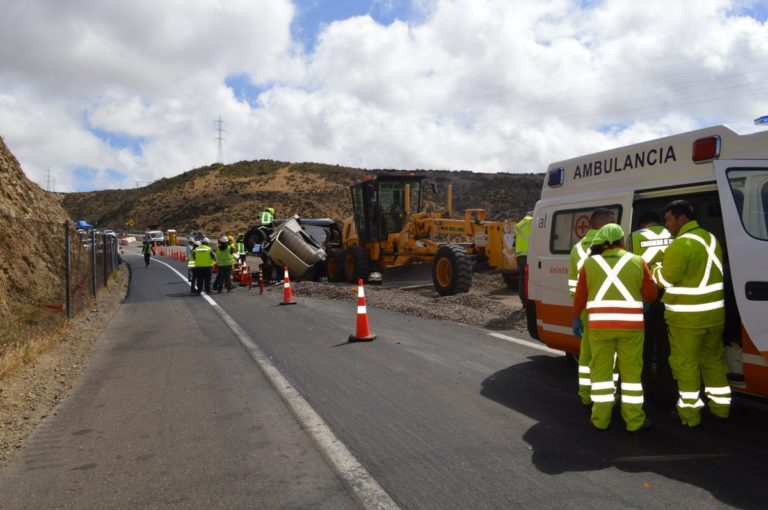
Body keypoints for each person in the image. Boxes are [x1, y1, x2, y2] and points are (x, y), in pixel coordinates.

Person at [652, 199, 731, 427]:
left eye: (668, 220)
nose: (667, 225)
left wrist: (655, 269)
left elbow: (666, 279)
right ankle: (721, 409)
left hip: (687, 319)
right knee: (713, 362)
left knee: (685, 365)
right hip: (714, 316)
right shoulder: (710, 238)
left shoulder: (681, 244)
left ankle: (689, 416)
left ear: (681, 218)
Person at [573, 223, 658, 431]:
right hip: (631, 329)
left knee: (601, 374)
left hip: (599, 329)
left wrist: (576, 318)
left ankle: (600, 420)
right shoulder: (638, 261)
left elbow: (580, 297)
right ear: (622, 241)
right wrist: (643, 302)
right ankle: (634, 421)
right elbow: (651, 295)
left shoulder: (589, 264)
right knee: (631, 376)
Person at [568, 207, 615, 406]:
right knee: (609, 359)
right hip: (608, 310)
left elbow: (573, 285)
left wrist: (578, 312)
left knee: (586, 357)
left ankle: (586, 396)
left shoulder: (577, 248)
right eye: (612, 222)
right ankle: (607, 398)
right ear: (603, 224)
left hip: (586, 310)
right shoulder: (611, 248)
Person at [629, 210, 673, 396]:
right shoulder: (673, 234)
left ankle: (645, 384)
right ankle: (667, 385)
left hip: (645, 298)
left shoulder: (635, 237)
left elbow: (630, 268)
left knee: (644, 347)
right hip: (669, 297)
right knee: (666, 346)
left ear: (642, 225)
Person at [514, 211, 533, 307]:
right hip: (528, 253)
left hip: (519, 254)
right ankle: (529, 300)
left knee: (522, 278)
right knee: (530, 278)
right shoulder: (531, 221)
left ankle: (523, 300)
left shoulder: (518, 225)